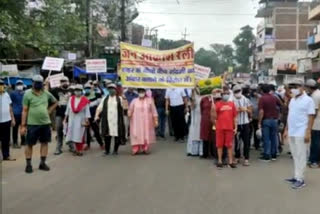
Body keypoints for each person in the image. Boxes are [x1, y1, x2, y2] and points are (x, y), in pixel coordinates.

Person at [21, 75, 58, 173]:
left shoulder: (46, 93)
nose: (38, 84)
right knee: (29, 144)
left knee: (44, 143)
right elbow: (24, 110)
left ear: (42, 83)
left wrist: (49, 110)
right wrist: (23, 125)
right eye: (36, 82)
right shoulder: (27, 94)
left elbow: (55, 102)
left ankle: (42, 163)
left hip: (45, 123)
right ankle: (28, 165)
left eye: (40, 82)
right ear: (32, 83)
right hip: (32, 124)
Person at [283, 79, 315, 189]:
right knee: (295, 155)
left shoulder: (308, 100)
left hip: (302, 132)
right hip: (292, 131)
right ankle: (296, 176)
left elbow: (311, 117)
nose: (293, 89)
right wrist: (286, 129)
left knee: (302, 156)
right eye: (292, 87)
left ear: (302, 87)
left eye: (296, 86)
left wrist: (308, 132)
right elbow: (290, 116)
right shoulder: (293, 100)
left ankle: (301, 179)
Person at [95, 84, 126, 156]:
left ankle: (115, 150)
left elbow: (125, 108)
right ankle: (107, 150)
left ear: (116, 90)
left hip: (117, 120)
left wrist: (124, 99)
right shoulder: (105, 99)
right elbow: (99, 108)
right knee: (107, 136)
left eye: (113, 89)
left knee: (117, 135)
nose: (111, 90)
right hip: (107, 120)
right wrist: (96, 115)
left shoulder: (119, 99)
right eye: (109, 89)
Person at [213, 86, 237, 169]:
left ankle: (230, 162)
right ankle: (220, 161)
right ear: (221, 95)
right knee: (219, 145)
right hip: (220, 128)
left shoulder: (232, 104)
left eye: (228, 94)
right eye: (224, 94)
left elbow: (234, 117)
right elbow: (214, 116)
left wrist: (236, 127)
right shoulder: (217, 104)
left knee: (229, 145)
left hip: (229, 128)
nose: (226, 95)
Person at [128, 88, 158, 155]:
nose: (141, 93)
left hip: (147, 122)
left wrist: (155, 120)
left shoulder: (149, 100)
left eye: (142, 91)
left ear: (145, 92)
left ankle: (145, 148)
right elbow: (130, 110)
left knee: (146, 134)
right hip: (136, 122)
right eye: (140, 92)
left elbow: (154, 110)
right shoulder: (134, 101)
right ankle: (135, 149)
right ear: (138, 93)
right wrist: (129, 114)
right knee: (136, 134)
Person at [64, 84, 90, 156]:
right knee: (73, 134)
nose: (77, 92)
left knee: (80, 134)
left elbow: (87, 111)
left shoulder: (85, 100)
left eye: (79, 90)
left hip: (80, 119)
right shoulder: (71, 98)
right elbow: (68, 109)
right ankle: (76, 149)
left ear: (81, 91)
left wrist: (86, 119)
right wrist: (65, 118)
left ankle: (80, 150)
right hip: (72, 119)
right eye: (76, 90)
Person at [258, 84, 281, 162]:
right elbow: (281, 105)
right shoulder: (274, 97)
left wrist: (259, 122)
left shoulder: (262, 98)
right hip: (274, 120)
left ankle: (267, 155)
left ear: (262, 91)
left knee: (266, 138)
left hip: (266, 120)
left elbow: (261, 111)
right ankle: (274, 154)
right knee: (274, 137)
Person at [50, 76, 72, 155]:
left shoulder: (72, 90)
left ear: (68, 82)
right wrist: (56, 103)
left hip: (70, 114)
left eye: (65, 81)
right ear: (60, 82)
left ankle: (71, 145)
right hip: (59, 113)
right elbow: (49, 98)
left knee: (69, 130)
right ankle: (59, 147)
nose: (64, 82)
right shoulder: (55, 90)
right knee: (59, 129)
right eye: (62, 81)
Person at [232, 84, 252, 166]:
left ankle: (246, 158)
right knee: (237, 141)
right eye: (236, 92)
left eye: (238, 91)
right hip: (236, 124)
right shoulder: (232, 100)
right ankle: (237, 157)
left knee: (246, 141)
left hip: (245, 123)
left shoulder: (246, 100)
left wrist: (246, 109)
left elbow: (251, 111)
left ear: (241, 91)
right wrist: (236, 111)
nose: (237, 93)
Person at [83, 83, 104, 150]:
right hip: (86, 116)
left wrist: (98, 116)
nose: (87, 89)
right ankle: (87, 145)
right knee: (86, 131)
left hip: (94, 115)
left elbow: (100, 106)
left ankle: (101, 144)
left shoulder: (97, 95)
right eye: (86, 88)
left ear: (91, 88)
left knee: (96, 130)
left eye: (88, 88)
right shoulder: (83, 96)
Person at [305, 79, 320, 168]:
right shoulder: (318, 93)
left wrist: (309, 125)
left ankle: (314, 161)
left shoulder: (315, 96)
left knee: (315, 143)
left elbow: (314, 111)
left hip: (316, 123)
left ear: (310, 87)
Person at [0, 79, 16, 161]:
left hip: (7, 120)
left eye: (2, 84)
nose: (1, 86)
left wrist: (12, 118)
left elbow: (10, 107)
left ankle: (6, 155)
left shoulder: (6, 94)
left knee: (6, 139)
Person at [186, 88, 203, 156]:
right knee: (193, 132)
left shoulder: (204, 94)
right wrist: (192, 94)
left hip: (202, 116)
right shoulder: (192, 94)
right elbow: (192, 107)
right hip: (195, 117)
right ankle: (192, 150)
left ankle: (201, 151)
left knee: (201, 132)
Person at [10, 80, 26, 148]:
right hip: (15, 113)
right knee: (15, 129)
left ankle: (23, 141)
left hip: (23, 113)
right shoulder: (13, 93)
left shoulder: (24, 93)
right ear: (16, 85)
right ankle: (15, 142)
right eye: (18, 84)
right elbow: (10, 103)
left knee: (23, 127)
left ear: (23, 85)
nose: (20, 85)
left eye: (21, 84)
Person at [200, 90, 214, 158]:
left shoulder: (214, 100)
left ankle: (212, 153)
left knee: (212, 136)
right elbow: (201, 109)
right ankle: (205, 153)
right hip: (205, 119)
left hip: (213, 119)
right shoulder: (203, 99)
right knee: (205, 136)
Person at [249, 84, 260, 150]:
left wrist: (257, 97)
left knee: (256, 131)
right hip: (250, 117)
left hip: (257, 117)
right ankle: (249, 144)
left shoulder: (259, 97)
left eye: (254, 90)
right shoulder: (248, 97)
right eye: (252, 90)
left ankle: (257, 145)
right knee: (249, 132)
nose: (253, 92)